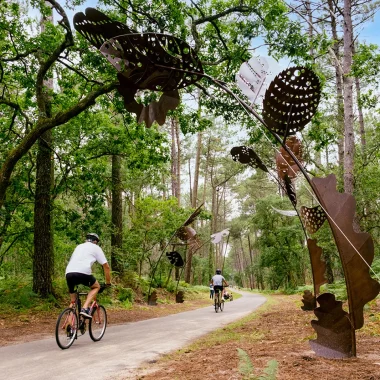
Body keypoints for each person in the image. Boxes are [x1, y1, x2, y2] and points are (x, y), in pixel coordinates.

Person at [65, 233, 111, 318]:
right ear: (95, 241)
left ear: (86, 240)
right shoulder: (96, 248)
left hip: (69, 273)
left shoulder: (79, 246)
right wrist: (108, 283)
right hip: (83, 272)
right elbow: (106, 267)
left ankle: (69, 326)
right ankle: (85, 308)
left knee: (73, 301)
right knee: (96, 287)